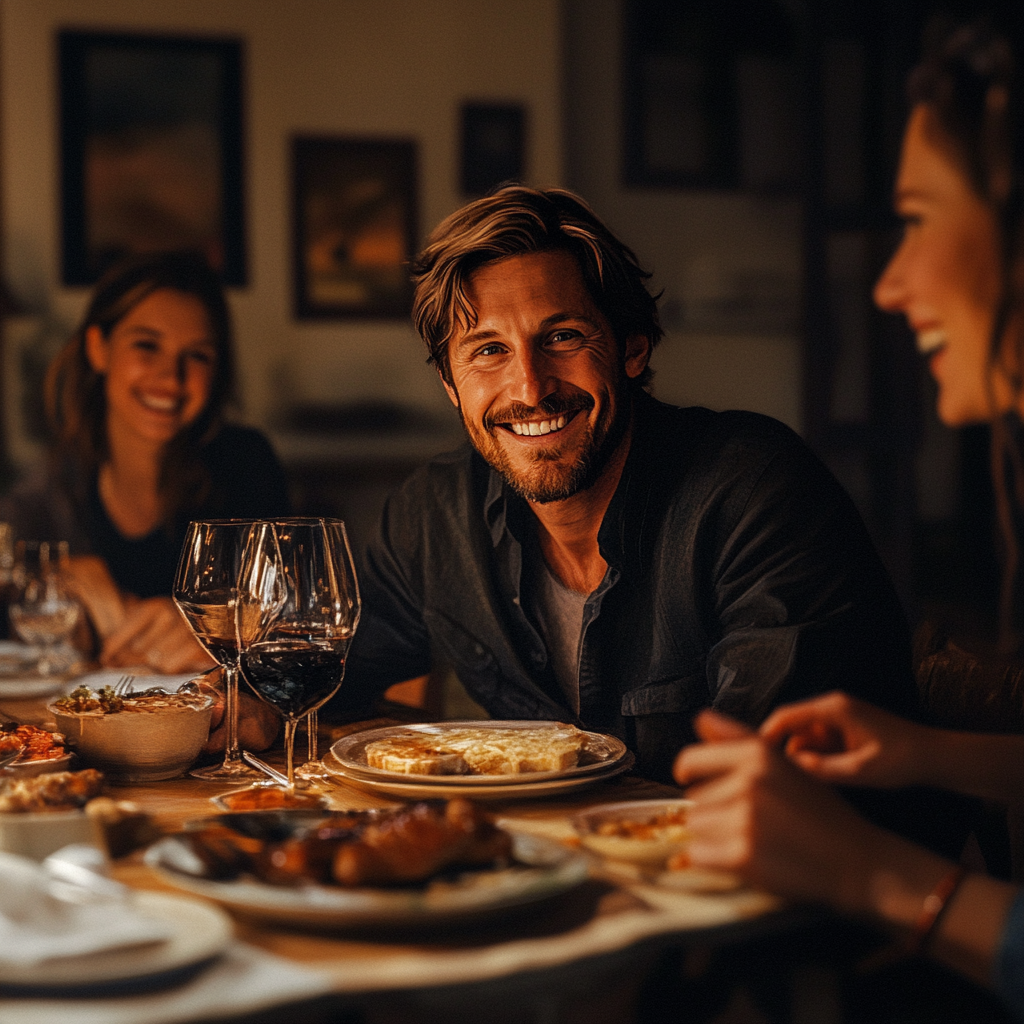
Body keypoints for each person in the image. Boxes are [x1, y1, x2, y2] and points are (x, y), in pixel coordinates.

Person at [336, 183, 968, 850]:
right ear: (451, 386)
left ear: (632, 348)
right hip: (583, 884)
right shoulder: (435, 513)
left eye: (563, 336)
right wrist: (247, 701)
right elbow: (330, 660)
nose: (529, 387)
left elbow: (768, 789)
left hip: (807, 919)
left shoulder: (752, 490)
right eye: (487, 350)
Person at [674, 17, 1024, 1020]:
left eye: (917, 218)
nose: (887, 281)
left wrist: (863, 870)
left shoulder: (748, 477)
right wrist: (927, 751)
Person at [0, 251, 288, 749]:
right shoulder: (43, 496)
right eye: (146, 346)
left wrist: (223, 627)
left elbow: (299, 611)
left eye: (197, 355)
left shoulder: (245, 465)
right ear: (98, 349)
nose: (171, 379)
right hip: (82, 745)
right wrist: (60, 589)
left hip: (215, 747)